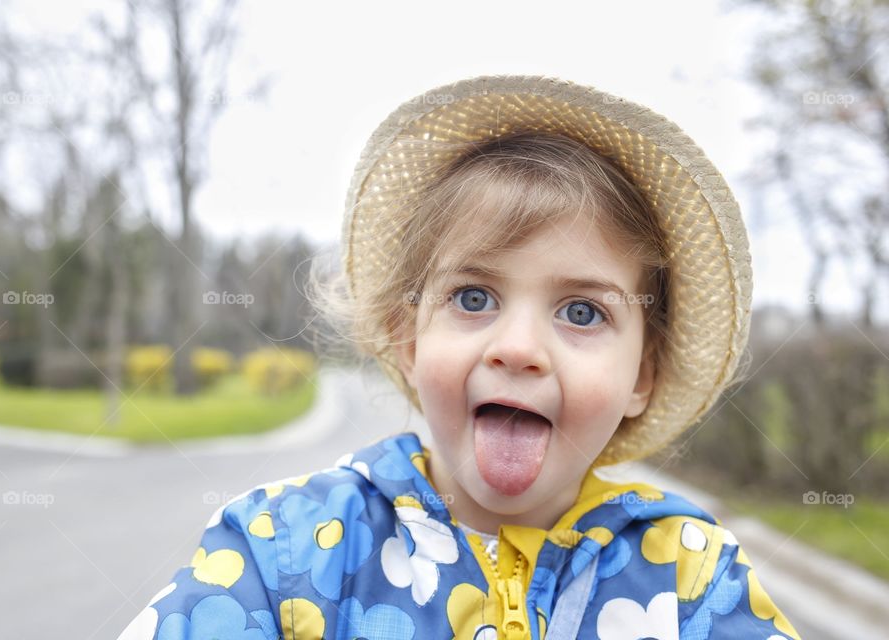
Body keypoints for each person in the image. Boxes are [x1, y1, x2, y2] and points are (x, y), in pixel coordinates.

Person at [117, 75, 799, 639]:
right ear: (409, 342)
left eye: (582, 312)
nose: (519, 349)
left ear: (642, 377)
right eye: (474, 298)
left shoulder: (692, 583)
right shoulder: (287, 554)